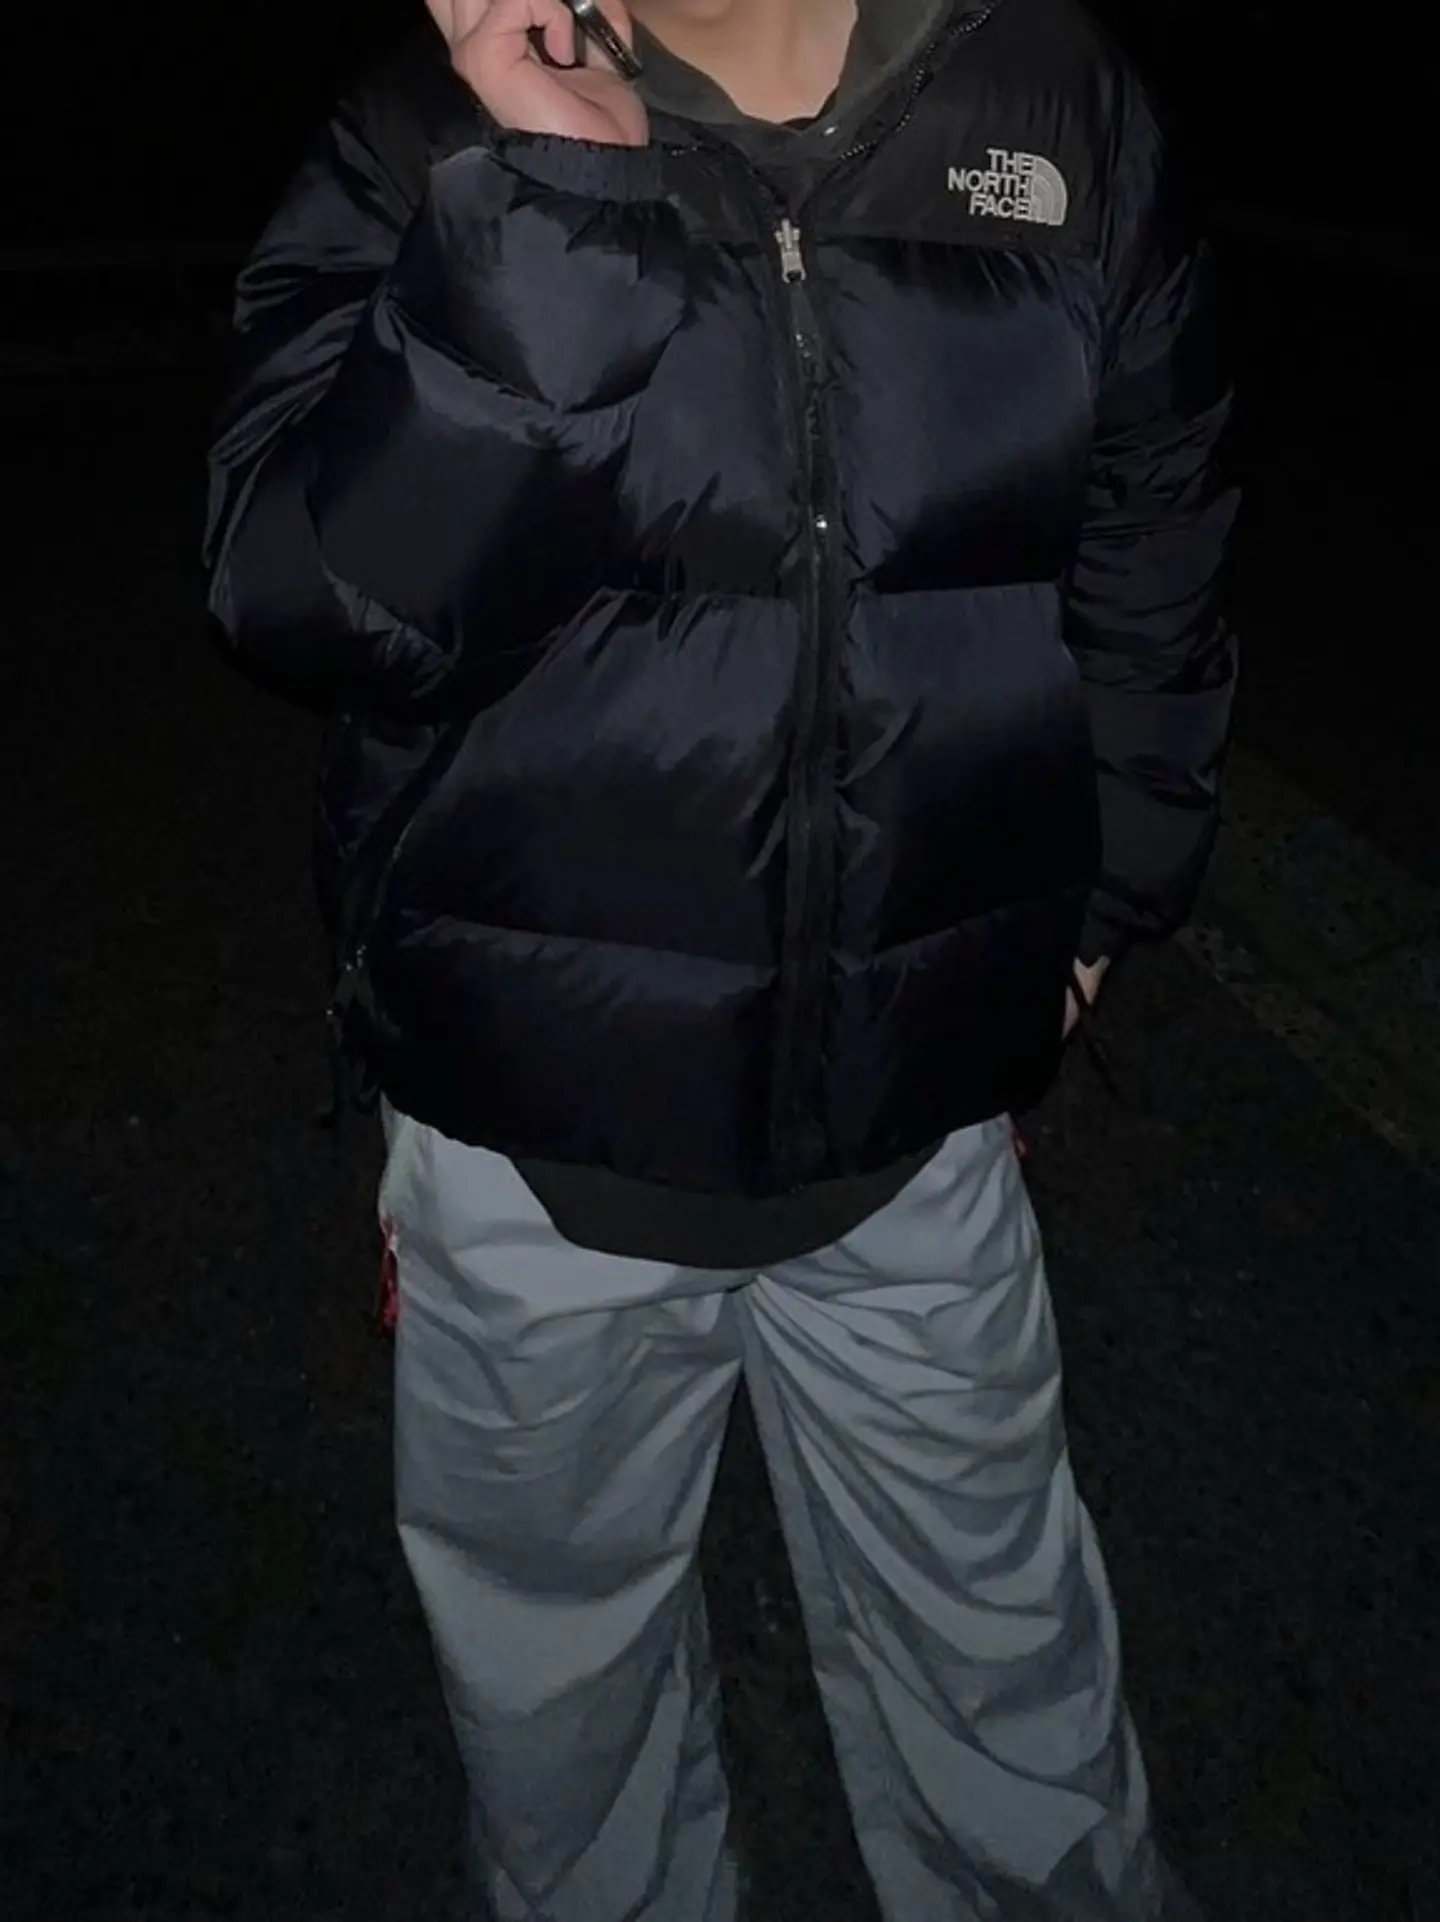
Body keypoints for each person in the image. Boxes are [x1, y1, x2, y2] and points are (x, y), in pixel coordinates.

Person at [205, 0, 1235, 1915]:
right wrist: (546, 207)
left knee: (1008, 1671)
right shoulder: (429, 128)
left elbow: (1151, 532)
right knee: (562, 1707)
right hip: (530, 1137)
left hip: (925, 1112)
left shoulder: (1056, 93)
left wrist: (1104, 908)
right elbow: (304, 598)